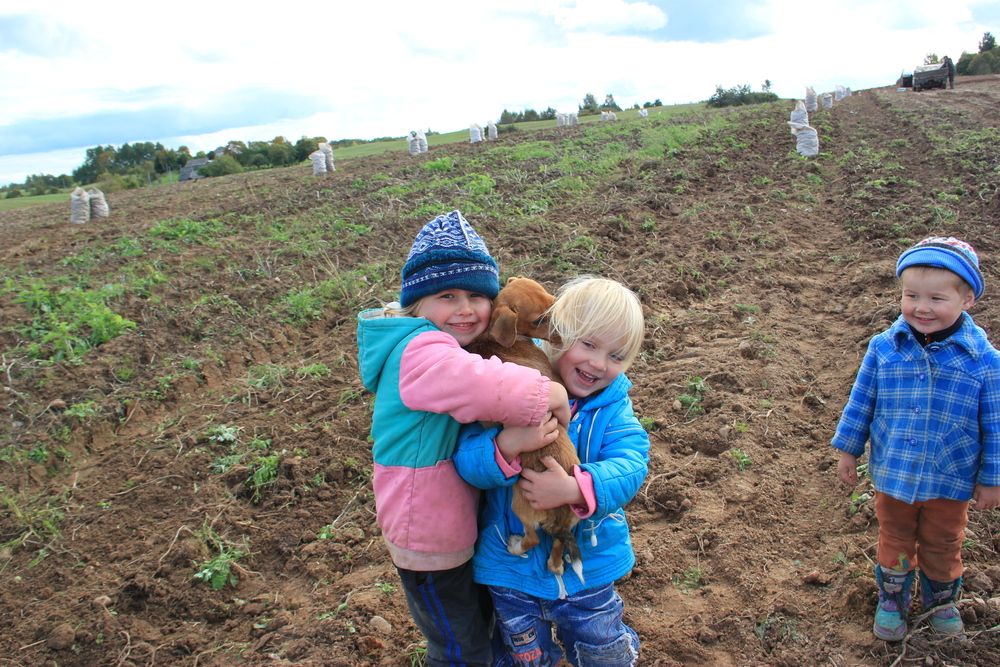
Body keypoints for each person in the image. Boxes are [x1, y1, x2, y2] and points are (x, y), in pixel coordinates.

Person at [356, 209, 570, 666]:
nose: (466, 308)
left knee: (477, 630)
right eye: (447, 295)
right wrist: (544, 390)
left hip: (450, 524)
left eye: (477, 295)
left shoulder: (441, 342)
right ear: (417, 304)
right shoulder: (420, 350)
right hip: (430, 536)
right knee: (460, 648)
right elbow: (478, 383)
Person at [455, 276, 649, 666]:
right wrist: (507, 445)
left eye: (617, 355)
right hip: (511, 575)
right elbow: (466, 459)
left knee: (602, 649)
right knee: (524, 656)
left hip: (587, 572)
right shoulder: (510, 388)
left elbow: (632, 464)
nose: (598, 363)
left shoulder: (612, 408)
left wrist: (577, 489)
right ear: (556, 334)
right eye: (588, 344)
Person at [832, 236, 1000, 641]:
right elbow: (862, 401)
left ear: (967, 301)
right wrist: (848, 450)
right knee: (895, 537)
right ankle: (892, 599)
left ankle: (942, 602)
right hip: (895, 473)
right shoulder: (884, 349)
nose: (922, 308)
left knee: (943, 542)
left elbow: (995, 424)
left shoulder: (985, 361)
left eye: (937, 299)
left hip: (951, 477)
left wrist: (992, 478)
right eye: (911, 296)